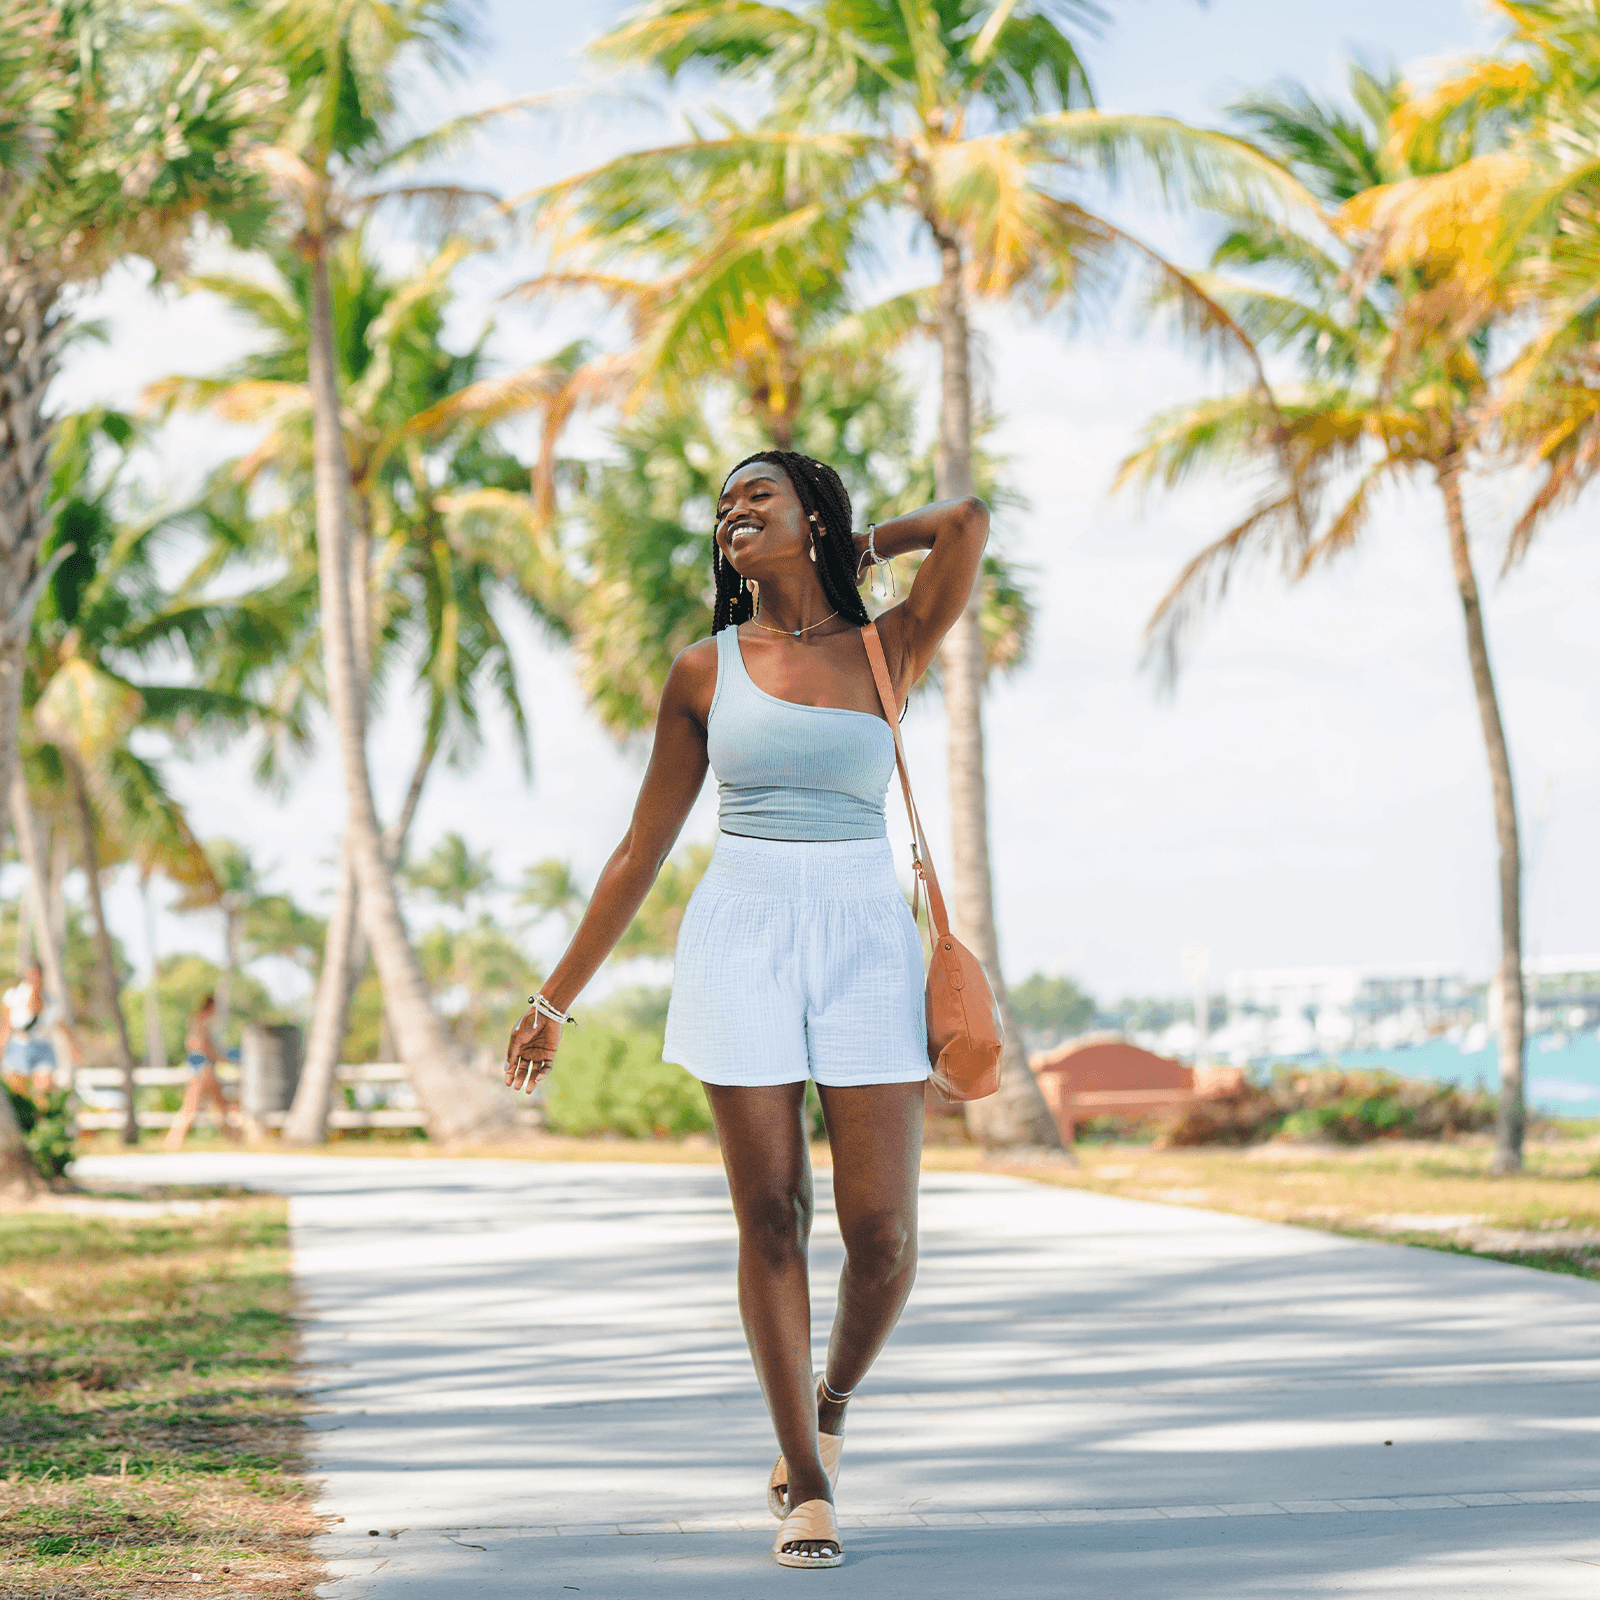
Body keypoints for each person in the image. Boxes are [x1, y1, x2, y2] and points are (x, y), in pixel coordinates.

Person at [504, 450, 987, 1570]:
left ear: (810, 514)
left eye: (756, 494)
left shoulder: (887, 646)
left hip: (867, 935)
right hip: (743, 932)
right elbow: (639, 851)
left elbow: (961, 522)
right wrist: (552, 999)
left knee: (883, 1238)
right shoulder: (703, 670)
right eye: (723, 505)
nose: (734, 512)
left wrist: (857, 548)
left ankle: (830, 1396)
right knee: (771, 1214)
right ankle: (805, 1482)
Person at [163, 993, 241, 1149]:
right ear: (211, 1006)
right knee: (192, 1107)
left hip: (202, 1067)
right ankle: (172, 1142)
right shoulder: (201, 1022)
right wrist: (222, 1058)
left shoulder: (198, 1022)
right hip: (203, 1068)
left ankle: (236, 1140)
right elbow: (200, 1046)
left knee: (221, 1105)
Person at [0, 961, 82, 1099]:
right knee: (18, 1096)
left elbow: (63, 1026)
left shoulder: (50, 1001)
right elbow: (6, 1026)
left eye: (37, 975)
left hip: (42, 1047)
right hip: (18, 1047)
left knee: (44, 1095)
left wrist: (75, 1048)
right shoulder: (13, 997)